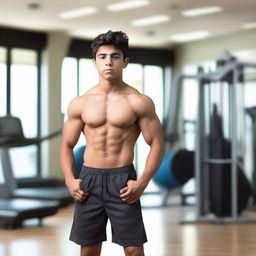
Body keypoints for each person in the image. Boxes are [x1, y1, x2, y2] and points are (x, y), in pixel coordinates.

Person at [60, 30, 165, 256]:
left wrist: (142, 182)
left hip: (122, 179)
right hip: (89, 179)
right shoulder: (80, 103)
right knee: (88, 249)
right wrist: (70, 180)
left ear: (125, 62)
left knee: (134, 248)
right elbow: (66, 144)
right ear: (94, 63)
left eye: (115, 57)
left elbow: (157, 143)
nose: (109, 62)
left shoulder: (139, 102)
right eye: (103, 57)